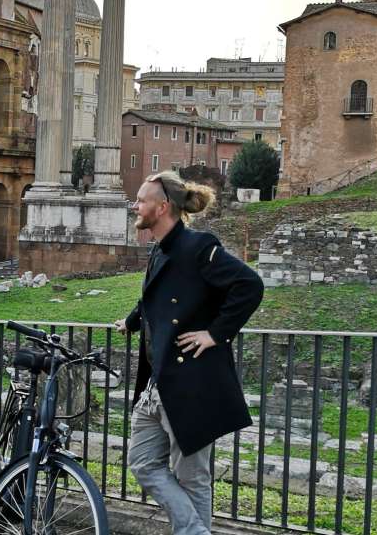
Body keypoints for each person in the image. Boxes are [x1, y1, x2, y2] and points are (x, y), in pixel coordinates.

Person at [116, 171, 264, 535]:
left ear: (162, 207)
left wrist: (216, 334)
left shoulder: (198, 246)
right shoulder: (161, 247)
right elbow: (155, 296)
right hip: (158, 382)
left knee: (192, 477)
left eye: (141, 200)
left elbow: (249, 284)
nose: (135, 205)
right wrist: (133, 321)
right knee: (142, 462)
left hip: (190, 383)